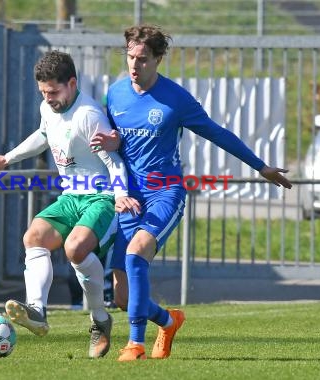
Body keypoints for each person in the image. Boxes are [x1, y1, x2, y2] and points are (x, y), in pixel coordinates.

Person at [90, 25, 293, 361]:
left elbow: (216, 133)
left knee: (137, 252)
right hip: (128, 196)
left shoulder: (176, 99)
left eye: (142, 58)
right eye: (129, 57)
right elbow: (108, 141)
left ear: (158, 58)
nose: (134, 65)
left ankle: (135, 344)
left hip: (164, 193)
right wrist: (112, 144)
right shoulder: (115, 94)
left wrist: (261, 166)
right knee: (125, 297)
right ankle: (169, 322)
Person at [0, 51, 139, 358]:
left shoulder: (88, 115)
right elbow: (43, 134)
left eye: (53, 92)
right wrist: (7, 158)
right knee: (34, 237)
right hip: (70, 196)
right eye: (43, 92)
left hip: (102, 197)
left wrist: (120, 194)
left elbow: (113, 160)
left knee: (75, 250)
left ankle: (100, 320)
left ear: (72, 83)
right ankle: (37, 311)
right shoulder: (48, 107)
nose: (49, 98)